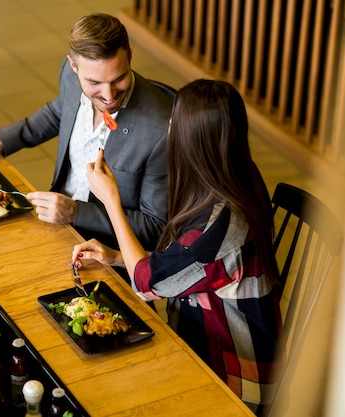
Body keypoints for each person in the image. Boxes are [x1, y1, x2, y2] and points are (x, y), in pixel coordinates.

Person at [71, 80, 284, 414]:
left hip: (233, 376)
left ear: (194, 141)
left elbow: (147, 282)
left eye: (175, 122)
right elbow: (184, 264)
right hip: (202, 333)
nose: (168, 125)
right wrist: (115, 257)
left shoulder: (218, 228)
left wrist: (110, 200)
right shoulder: (236, 173)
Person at [0, 13, 173, 251]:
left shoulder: (161, 130)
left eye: (119, 79)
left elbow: (156, 227)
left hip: (107, 250)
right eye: (94, 83)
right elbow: (59, 113)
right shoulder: (70, 77)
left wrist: (76, 212)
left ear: (130, 54)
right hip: (54, 223)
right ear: (73, 66)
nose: (108, 96)